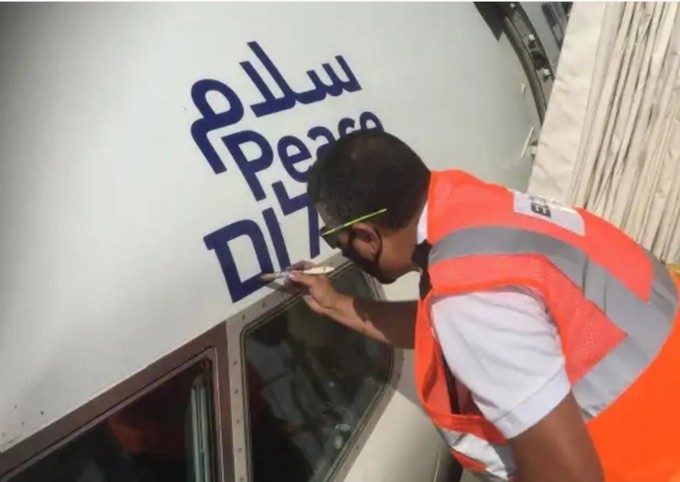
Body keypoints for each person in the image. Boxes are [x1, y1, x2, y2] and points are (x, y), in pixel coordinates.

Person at [288, 130, 680, 482]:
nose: (341, 250)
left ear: (366, 236)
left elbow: (568, 475)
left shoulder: (470, 301)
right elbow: (439, 324)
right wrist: (337, 303)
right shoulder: (476, 211)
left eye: (338, 240)